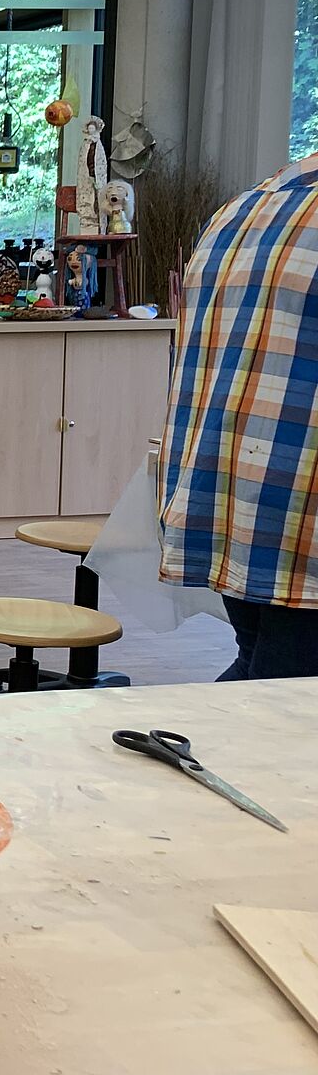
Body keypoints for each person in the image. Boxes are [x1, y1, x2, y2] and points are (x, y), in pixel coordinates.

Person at [160, 150, 318, 680]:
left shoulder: (238, 212)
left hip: (232, 499)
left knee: (259, 673)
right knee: (286, 707)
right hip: (304, 516)